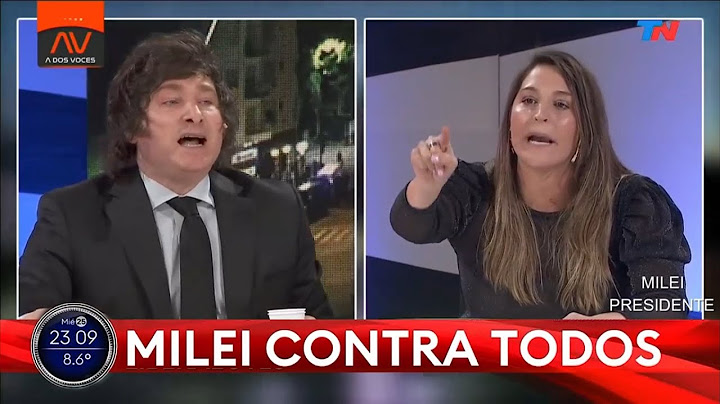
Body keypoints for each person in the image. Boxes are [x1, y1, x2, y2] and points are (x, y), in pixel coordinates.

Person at [19, 30, 333, 320]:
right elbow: (28, 328)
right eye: (171, 101)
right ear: (131, 126)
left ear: (223, 126)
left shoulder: (278, 210)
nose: (194, 114)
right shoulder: (70, 216)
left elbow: (325, 333)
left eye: (206, 102)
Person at [390, 50, 691, 319]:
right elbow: (410, 224)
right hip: (491, 363)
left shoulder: (634, 203)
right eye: (528, 101)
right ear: (510, 124)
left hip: (587, 364)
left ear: (586, 130)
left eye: (561, 104)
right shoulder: (475, 188)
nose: (540, 115)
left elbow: (666, 303)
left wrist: (607, 330)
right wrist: (427, 185)